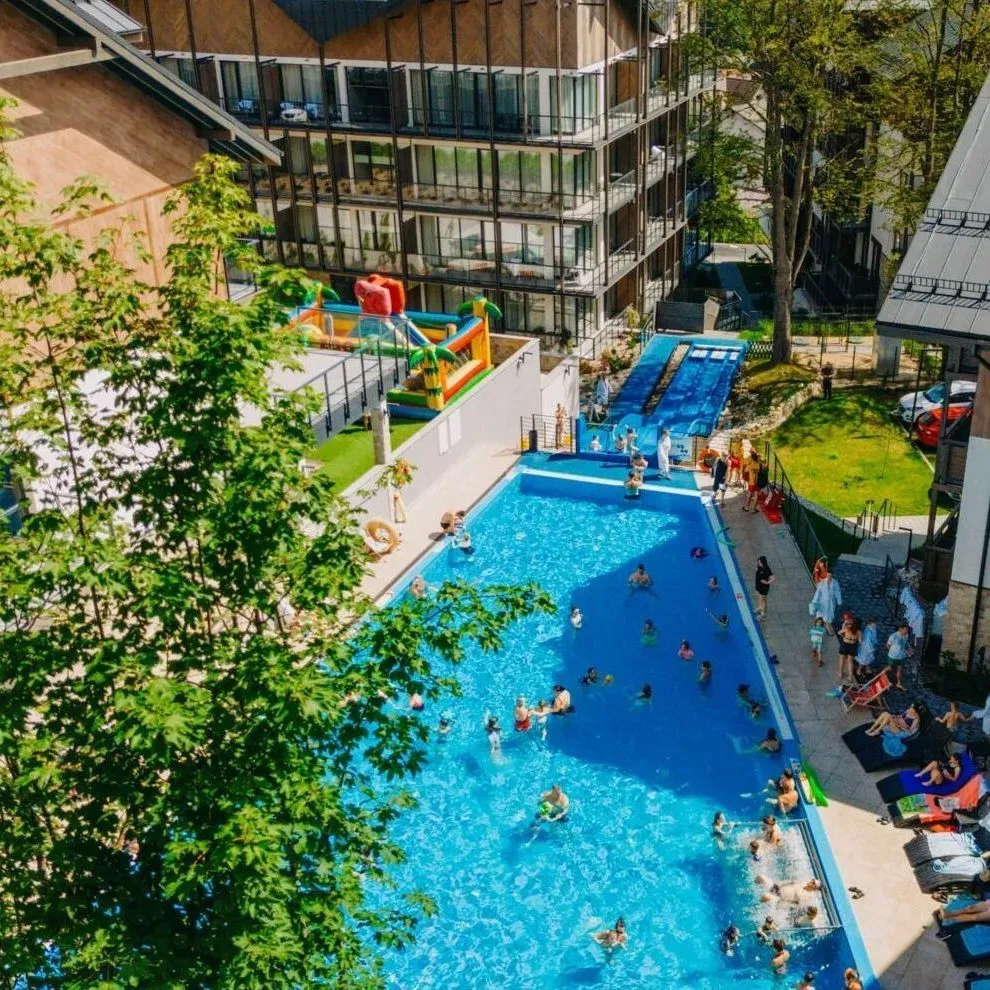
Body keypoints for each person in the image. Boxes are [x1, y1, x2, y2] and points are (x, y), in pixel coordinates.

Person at [809, 569, 842, 635]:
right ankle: (817, 631)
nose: (829, 577)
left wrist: (839, 601)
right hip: (822, 603)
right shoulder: (822, 583)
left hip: (831, 604)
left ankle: (828, 628)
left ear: (832, 576)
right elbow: (818, 593)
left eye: (830, 576)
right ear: (826, 575)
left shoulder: (835, 583)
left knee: (829, 617)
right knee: (820, 618)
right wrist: (814, 602)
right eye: (828, 575)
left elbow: (838, 592)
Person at [884, 622, 912, 689]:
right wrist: (892, 651)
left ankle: (898, 683)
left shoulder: (906, 635)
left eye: (907, 630)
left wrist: (909, 648)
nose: (906, 631)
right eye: (905, 630)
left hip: (901, 657)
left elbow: (906, 643)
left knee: (899, 670)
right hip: (893, 656)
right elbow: (887, 645)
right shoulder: (893, 636)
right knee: (889, 668)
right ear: (900, 629)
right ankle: (883, 675)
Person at [836, 615, 862, 686]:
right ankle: (850, 677)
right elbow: (860, 641)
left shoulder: (847, 628)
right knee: (850, 662)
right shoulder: (859, 631)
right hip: (852, 646)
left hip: (845, 645)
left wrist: (845, 623)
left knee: (842, 659)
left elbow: (839, 632)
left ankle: (840, 673)